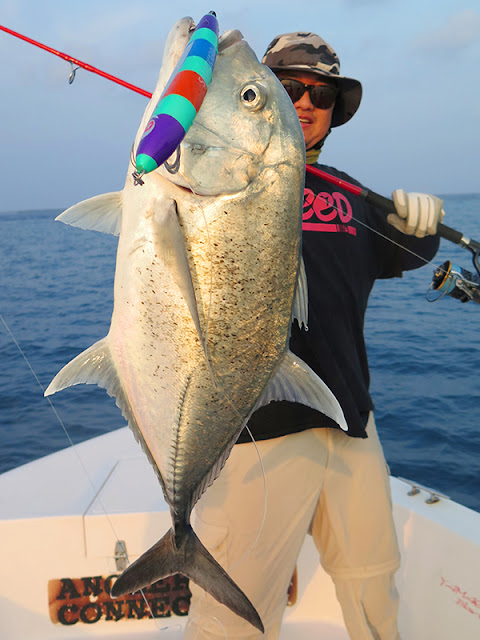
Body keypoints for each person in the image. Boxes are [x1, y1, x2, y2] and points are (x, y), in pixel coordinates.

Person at [184, 33, 443, 640]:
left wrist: (423, 226)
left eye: (321, 94)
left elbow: (410, 250)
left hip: (351, 427)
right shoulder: (221, 181)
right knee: (233, 617)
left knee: (375, 589)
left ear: (334, 110)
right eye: (288, 87)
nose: (305, 102)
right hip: (255, 434)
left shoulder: (351, 196)